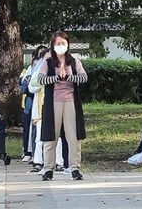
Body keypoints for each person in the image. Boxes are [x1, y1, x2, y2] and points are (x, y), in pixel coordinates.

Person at [35, 31, 88, 181]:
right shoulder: (48, 62)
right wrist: (57, 77)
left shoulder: (74, 61)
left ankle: (75, 168)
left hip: (71, 101)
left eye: (63, 43)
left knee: (73, 137)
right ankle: (48, 169)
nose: (60, 46)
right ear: (52, 45)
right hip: (53, 103)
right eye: (58, 43)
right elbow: (40, 79)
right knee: (51, 137)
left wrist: (70, 77)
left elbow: (84, 77)